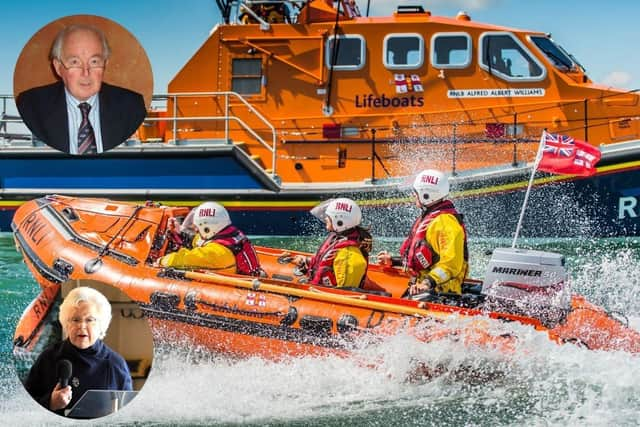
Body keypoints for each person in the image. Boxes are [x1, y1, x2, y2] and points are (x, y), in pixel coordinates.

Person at [16, 24, 146, 155]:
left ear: (105, 64)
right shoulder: (30, 106)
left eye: (94, 61)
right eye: (74, 62)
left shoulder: (132, 106)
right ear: (58, 67)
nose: (86, 72)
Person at [24, 286, 132, 416]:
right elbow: (24, 408)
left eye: (89, 320)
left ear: (101, 324)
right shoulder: (48, 358)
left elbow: (127, 414)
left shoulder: (116, 364)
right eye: (75, 320)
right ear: (66, 323)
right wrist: (50, 403)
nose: (81, 326)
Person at [377, 169, 468, 296]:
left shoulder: (446, 223)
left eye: (416, 192)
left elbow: (451, 265)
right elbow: (424, 259)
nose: (414, 195)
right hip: (424, 288)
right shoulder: (430, 218)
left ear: (426, 195)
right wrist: (394, 261)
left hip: (442, 292)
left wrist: (427, 283)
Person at [157, 201, 264, 276]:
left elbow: (182, 259)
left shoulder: (215, 253)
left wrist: (160, 261)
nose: (197, 230)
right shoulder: (230, 235)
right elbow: (201, 241)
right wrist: (180, 233)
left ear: (208, 228)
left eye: (198, 227)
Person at [293, 198, 372, 288]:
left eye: (329, 216)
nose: (326, 218)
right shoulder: (338, 240)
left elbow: (344, 294)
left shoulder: (348, 256)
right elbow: (325, 267)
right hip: (317, 288)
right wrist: (305, 262)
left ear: (340, 222)